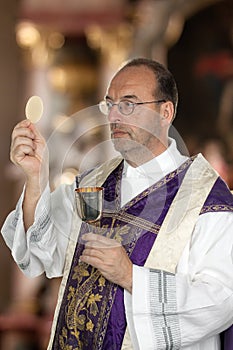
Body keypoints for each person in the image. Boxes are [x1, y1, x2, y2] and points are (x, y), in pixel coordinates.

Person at [1, 58, 233, 350]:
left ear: (166, 112)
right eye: (110, 104)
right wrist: (36, 179)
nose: (114, 116)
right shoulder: (92, 183)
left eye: (129, 104)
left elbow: (222, 301)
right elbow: (39, 253)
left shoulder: (207, 201)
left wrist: (131, 276)